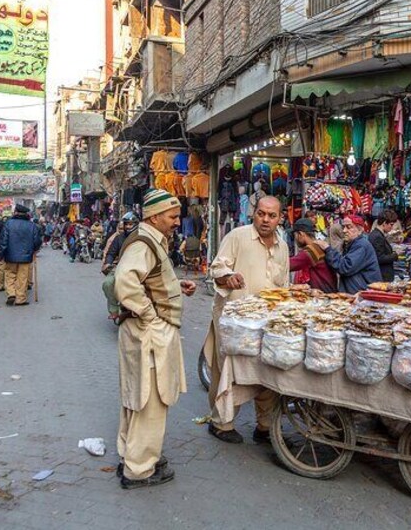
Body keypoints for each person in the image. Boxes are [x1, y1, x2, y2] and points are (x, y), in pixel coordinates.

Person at [113, 189, 196, 489]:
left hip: (146, 331)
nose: (177, 222)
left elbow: (151, 278)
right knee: (150, 400)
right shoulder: (144, 243)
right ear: (155, 216)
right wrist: (150, 316)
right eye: (173, 216)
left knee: (138, 397)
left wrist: (176, 287)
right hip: (148, 332)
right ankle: (139, 469)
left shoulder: (151, 241)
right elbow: (126, 282)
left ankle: (132, 454)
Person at [205, 196, 288, 444]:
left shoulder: (283, 247)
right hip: (234, 321)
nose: (265, 219)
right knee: (229, 370)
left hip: (266, 321)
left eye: (271, 216)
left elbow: (283, 284)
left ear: (279, 218)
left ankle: (264, 426)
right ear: (254, 213)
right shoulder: (238, 237)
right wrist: (227, 277)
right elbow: (217, 268)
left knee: (268, 371)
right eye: (261, 213)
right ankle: (221, 423)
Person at [317, 215, 382, 294]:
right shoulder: (353, 244)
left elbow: (345, 267)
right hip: (360, 293)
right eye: (343, 227)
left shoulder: (361, 245)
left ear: (360, 230)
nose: (344, 230)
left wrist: (327, 249)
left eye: (349, 227)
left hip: (364, 294)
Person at [0, 204, 42, 306]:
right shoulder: (31, 225)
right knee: (22, 277)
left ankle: (11, 294)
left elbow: (3, 240)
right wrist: (35, 250)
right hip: (26, 256)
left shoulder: (8, 224)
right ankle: (20, 299)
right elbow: (37, 241)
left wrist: (1, 254)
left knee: (10, 275)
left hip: (10, 255)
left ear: (16, 213)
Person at [102, 212, 140, 319]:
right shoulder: (119, 238)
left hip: (142, 268)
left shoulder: (143, 237)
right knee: (107, 283)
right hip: (121, 268)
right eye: (126, 224)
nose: (128, 226)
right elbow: (111, 253)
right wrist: (108, 263)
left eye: (130, 224)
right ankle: (114, 309)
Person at [290, 218, 337, 293]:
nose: (295, 239)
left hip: (323, 296)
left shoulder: (313, 250)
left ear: (301, 234)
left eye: (295, 235)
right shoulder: (319, 245)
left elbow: (288, 264)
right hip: (326, 292)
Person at [368, 209, 398, 282]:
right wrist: (395, 255)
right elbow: (379, 258)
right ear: (384, 223)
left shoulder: (377, 234)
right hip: (382, 276)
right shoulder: (377, 236)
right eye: (391, 224)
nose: (392, 227)